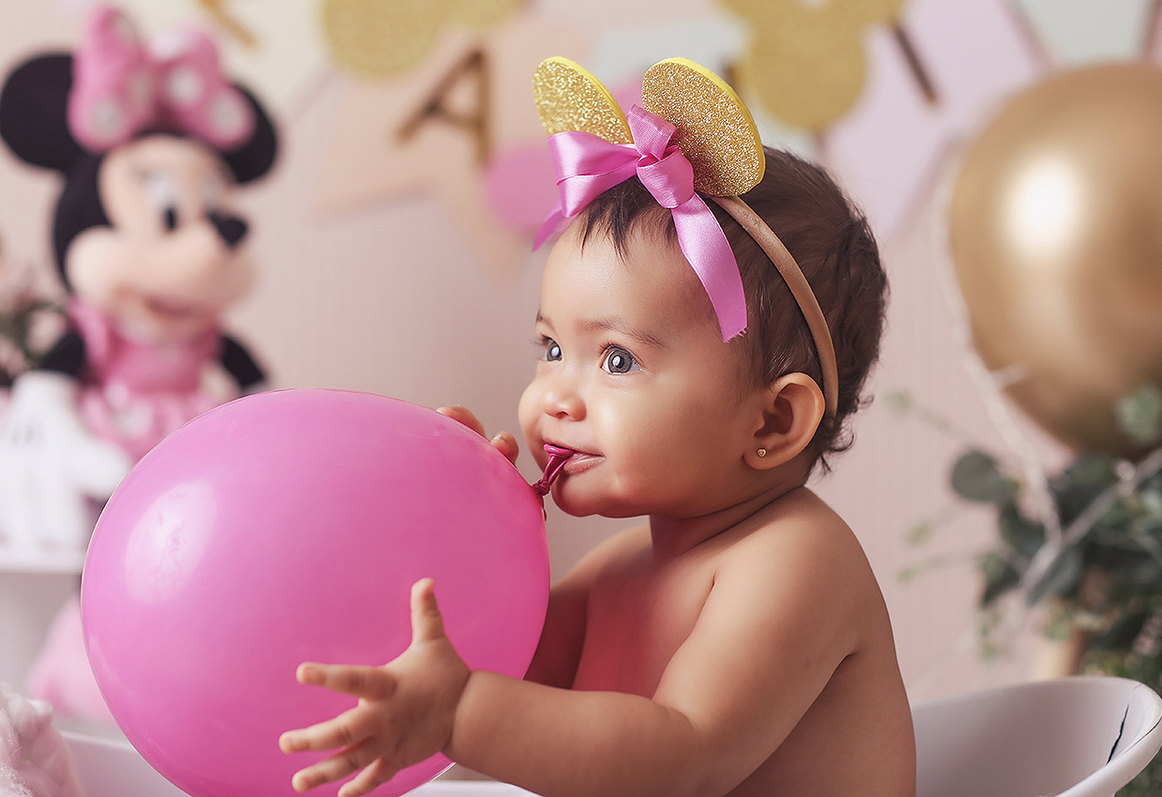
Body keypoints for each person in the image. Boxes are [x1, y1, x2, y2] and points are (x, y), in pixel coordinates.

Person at [279, 58, 915, 797]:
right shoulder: (615, 576)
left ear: (772, 419)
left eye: (616, 359)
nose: (555, 395)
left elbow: (683, 756)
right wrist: (452, 528)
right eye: (552, 349)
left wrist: (459, 709)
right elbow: (490, 673)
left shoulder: (798, 561)